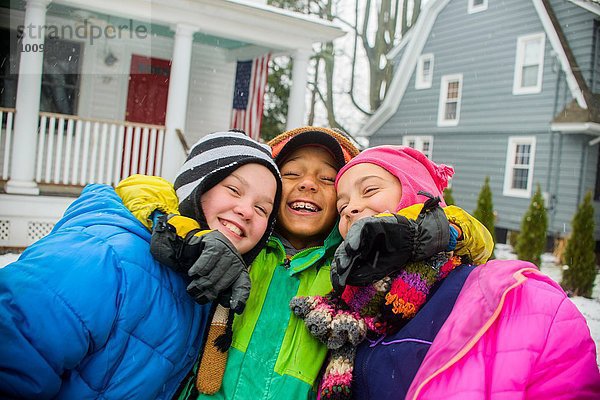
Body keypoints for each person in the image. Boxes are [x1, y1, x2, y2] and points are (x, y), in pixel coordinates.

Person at [0, 131, 282, 399]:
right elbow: (15, 352)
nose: (246, 210)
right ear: (195, 186)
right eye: (234, 189)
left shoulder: (202, 284)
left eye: (262, 209)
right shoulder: (111, 254)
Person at [305, 145, 600, 399]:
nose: (352, 208)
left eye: (369, 189)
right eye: (342, 207)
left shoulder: (514, 297)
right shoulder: (340, 318)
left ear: (419, 195)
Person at [162, 126, 361, 400]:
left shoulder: (352, 272)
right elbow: (155, 196)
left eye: (327, 178)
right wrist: (190, 233)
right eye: (291, 174)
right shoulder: (237, 243)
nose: (308, 184)